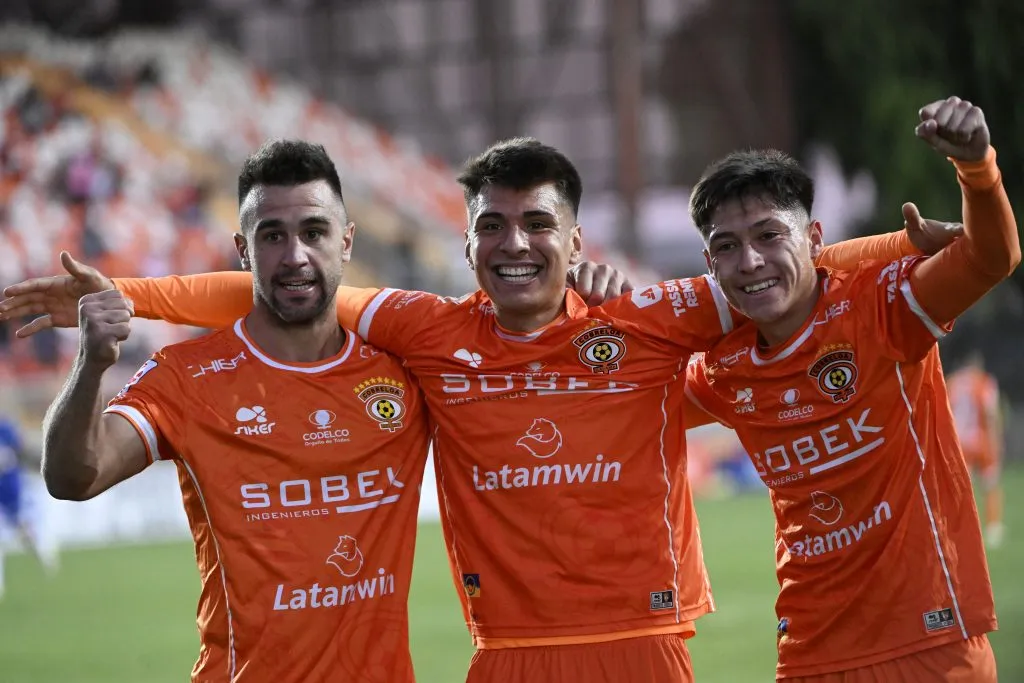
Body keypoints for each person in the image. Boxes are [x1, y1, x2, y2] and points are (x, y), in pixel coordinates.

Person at [0, 139, 959, 683]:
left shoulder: (643, 318)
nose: (515, 243)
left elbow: (777, 270)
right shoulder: (423, 332)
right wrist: (125, 293)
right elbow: (277, 289)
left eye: (538, 223)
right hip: (508, 658)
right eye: (491, 225)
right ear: (463, 245)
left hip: (647, 651)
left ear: (573, 237)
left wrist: (909, 253)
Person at [32, 140, 434, 683]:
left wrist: (585, 301)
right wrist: (90, 366)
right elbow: (73, 476)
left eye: (314, 232)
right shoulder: (186, 375)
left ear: (347, 242)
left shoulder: (406, 374)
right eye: (273, 236)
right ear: (243, 250)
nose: (295, 255)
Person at [683, 96, 1016, 681]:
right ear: (710, 263)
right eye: (727, 247)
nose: (751, 260)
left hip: (930, 644)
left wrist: (977, 169)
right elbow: (619, 395)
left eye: (768, 235)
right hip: (811, 651)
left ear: (813, 237)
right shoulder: (722, 369)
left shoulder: (883, 307)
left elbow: (991, 257)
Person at [947, 352, 1005, 548]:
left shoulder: (953, 382)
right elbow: (990, 413)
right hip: (982, 440)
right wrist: (997, 438)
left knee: (963, 489)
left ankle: (963, 528)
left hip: (960, 442)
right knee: (990, 483)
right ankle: (993, 528)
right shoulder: (984, 382)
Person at [0, 411, 58, 600]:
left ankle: (43, 552)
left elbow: (21, 449)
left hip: (10, 488)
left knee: (24, 530)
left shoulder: (6, 429)